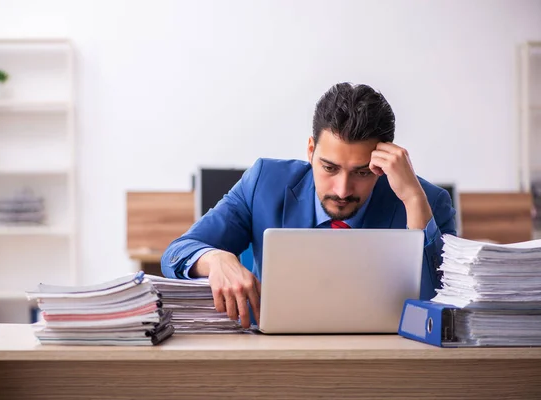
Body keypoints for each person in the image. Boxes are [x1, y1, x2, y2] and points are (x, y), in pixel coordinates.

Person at [161, 82, 457, 329]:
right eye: (329, 168)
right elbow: (176, 254)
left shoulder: (427, 202)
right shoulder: (264, 182)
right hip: (278, 360)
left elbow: (446, 307)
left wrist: (413, 202)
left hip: (387, 363)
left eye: (362, 172)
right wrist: (215, 259)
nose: (342, 190)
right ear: (311, 151)